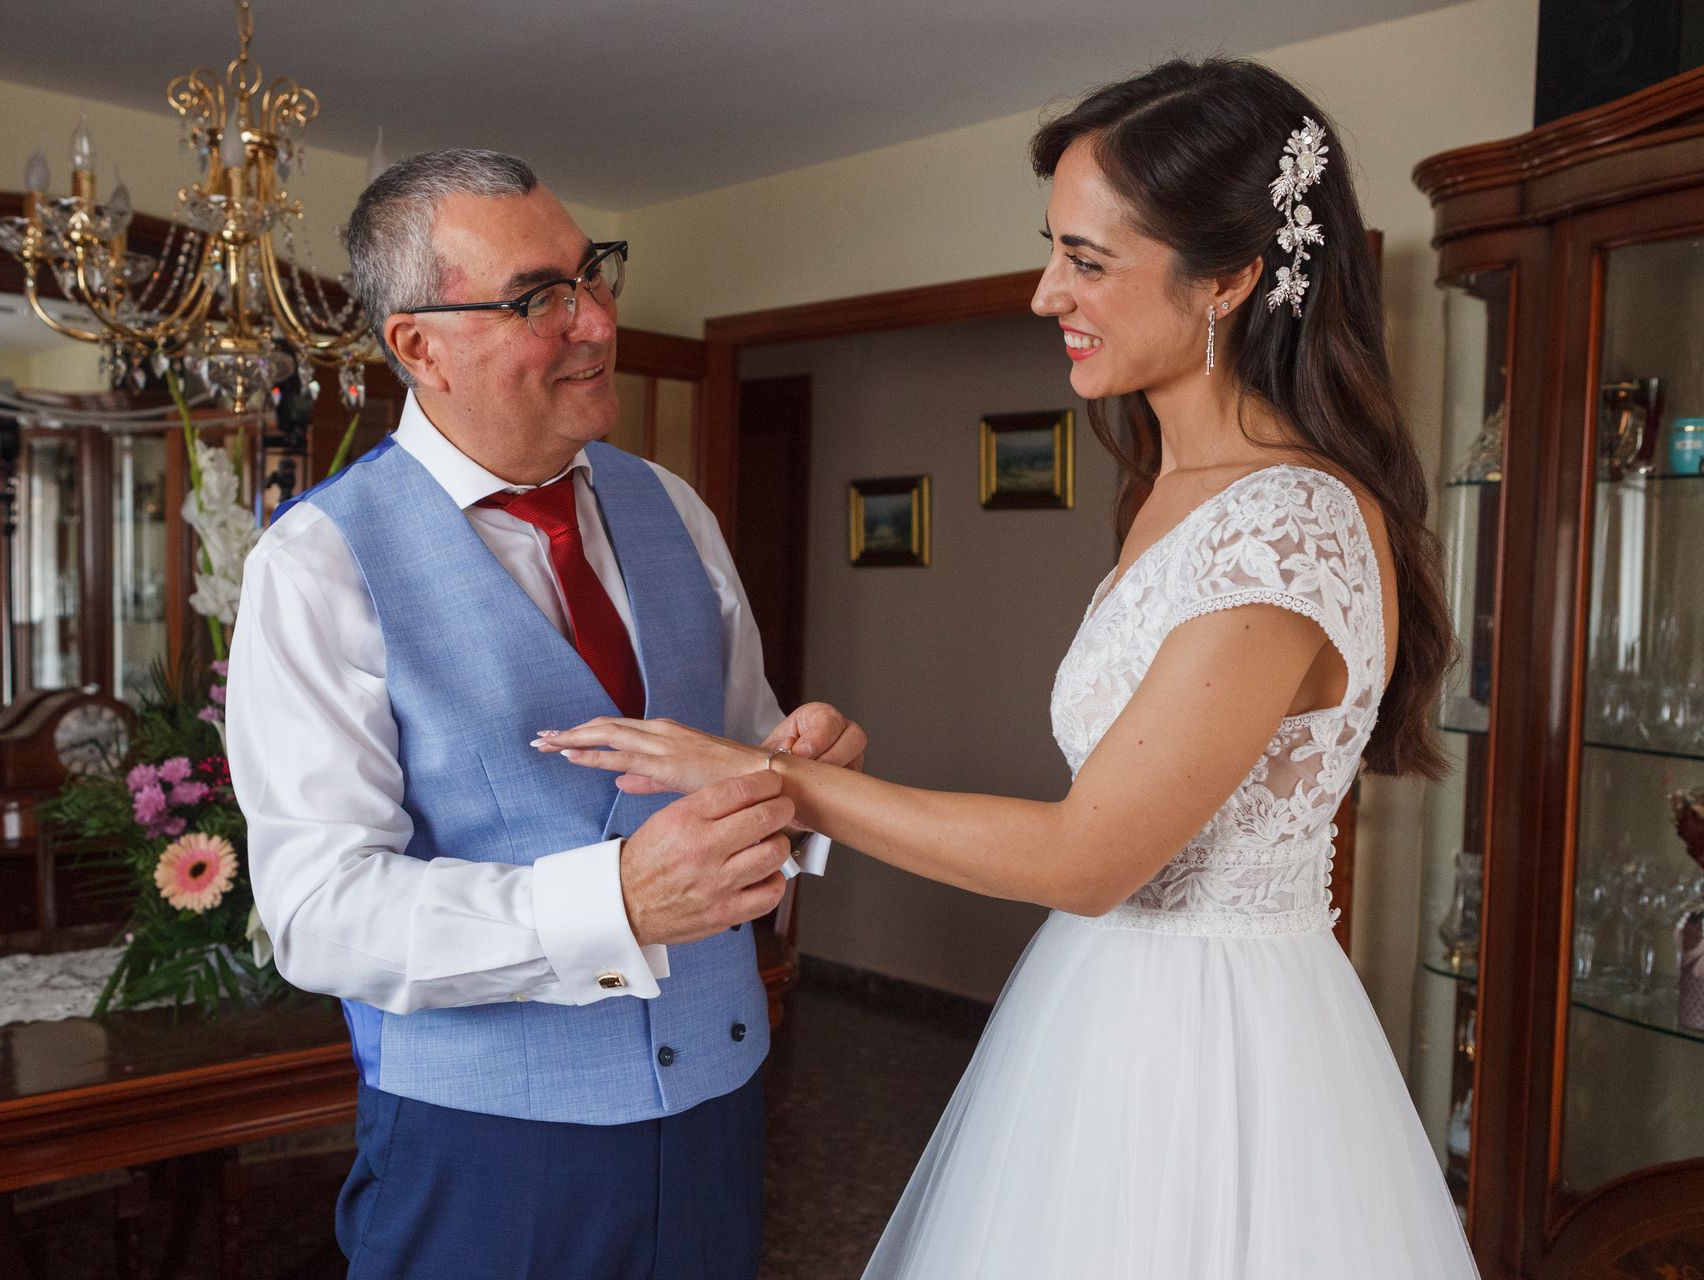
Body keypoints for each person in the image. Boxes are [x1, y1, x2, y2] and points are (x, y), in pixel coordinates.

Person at [540, 59, 1480, 1278]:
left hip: (1214, 1052)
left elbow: (1088, 856)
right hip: (1106, 1011)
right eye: (1055, 251)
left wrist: (767, 777)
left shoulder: (1287, 522)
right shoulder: (1175, 489)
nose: (1048, 293)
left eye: (1088, 261)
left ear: (1234, 278)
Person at [225, 149, 865, 1280]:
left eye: (592, 275)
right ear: (418, 346)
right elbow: (319, 911)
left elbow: (741, 752)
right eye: (539, 298)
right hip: (489, 1152)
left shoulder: (673, 507)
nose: (597, 323)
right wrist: (611, 900)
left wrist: (799, 777)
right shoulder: (319, 562)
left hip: (719, 1107)